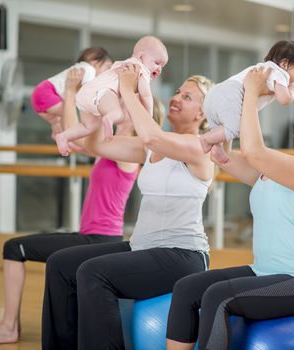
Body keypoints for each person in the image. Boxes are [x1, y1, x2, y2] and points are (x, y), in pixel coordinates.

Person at [166, 67, 294, 350]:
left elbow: (254, 152)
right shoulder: (282, 169)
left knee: (217, 296)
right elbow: (228, 157)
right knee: (187, 288)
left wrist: (252, 92)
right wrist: (225, 114)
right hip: (263, 271)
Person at [41, 67, 214, 350]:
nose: (177, 97)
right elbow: (95, 144)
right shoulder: (150, 147)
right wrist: (98, 102)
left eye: (188, 97)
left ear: (201, 115)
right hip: (143, 247)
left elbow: (152, 136)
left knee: (93, 273)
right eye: (178, 92)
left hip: (183, 254)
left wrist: (128, 87)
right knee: (60, 264)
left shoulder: (199, 147)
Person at [0, 67, 143, 346]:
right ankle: (13, 326)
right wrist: (59, 121)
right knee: (20, 250)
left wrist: (73, 93)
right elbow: (74, 139)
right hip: (91, 234)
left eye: (121, 101)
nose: (115, 103)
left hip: (99, 238)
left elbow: (82, 139)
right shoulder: (110, 145)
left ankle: (9, 326)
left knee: (14, 248)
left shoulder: (129, 153)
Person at [54, 36, 169, 156]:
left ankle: (64, 136)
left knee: (88, 126)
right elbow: (146, 96)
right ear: (140, 57)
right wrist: (148, 117)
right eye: (157, 63)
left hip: (85, 92)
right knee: (117, 114)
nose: (159, 69)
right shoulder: (139, 70)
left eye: (162, 66)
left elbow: (86, 143)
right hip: (103, 93)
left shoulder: (121, 64)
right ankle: (109, 117)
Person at [200, 40, 294, 163]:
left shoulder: (264, 67)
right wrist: (292, 89)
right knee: (236, 128)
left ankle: (216, 148)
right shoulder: (279, 73)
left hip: (215, 93)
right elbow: (284, 99)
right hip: (231, 94)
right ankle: (205, 139)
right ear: (284, 64)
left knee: (221, 129)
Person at [30, 47, 112, 140]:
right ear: (95, 62)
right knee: (69, 113)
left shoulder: (79, 68)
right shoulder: (89, 69)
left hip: (40, 93)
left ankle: (56, 127)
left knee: (60, 117)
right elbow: (88, 89)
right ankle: (66, 135)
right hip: (46, 92)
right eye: (108, 67)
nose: (108, 72)